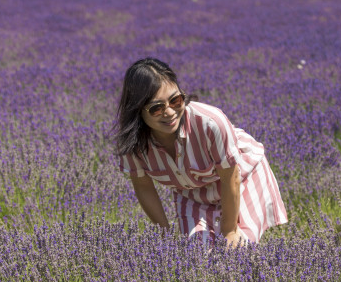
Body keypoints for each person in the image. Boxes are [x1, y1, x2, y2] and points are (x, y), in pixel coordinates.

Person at [113, 58, 287, 248]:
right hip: (191, 192)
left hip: (242, 177)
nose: (170, 112)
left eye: (175, 100)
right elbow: (143, 187)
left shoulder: (210, 123)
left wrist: (229, 231)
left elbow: (232, 177)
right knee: (196, 255)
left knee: (237, 250)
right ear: (137, 110)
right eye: (157, 108)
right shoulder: (132, 145)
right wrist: (165, 236)